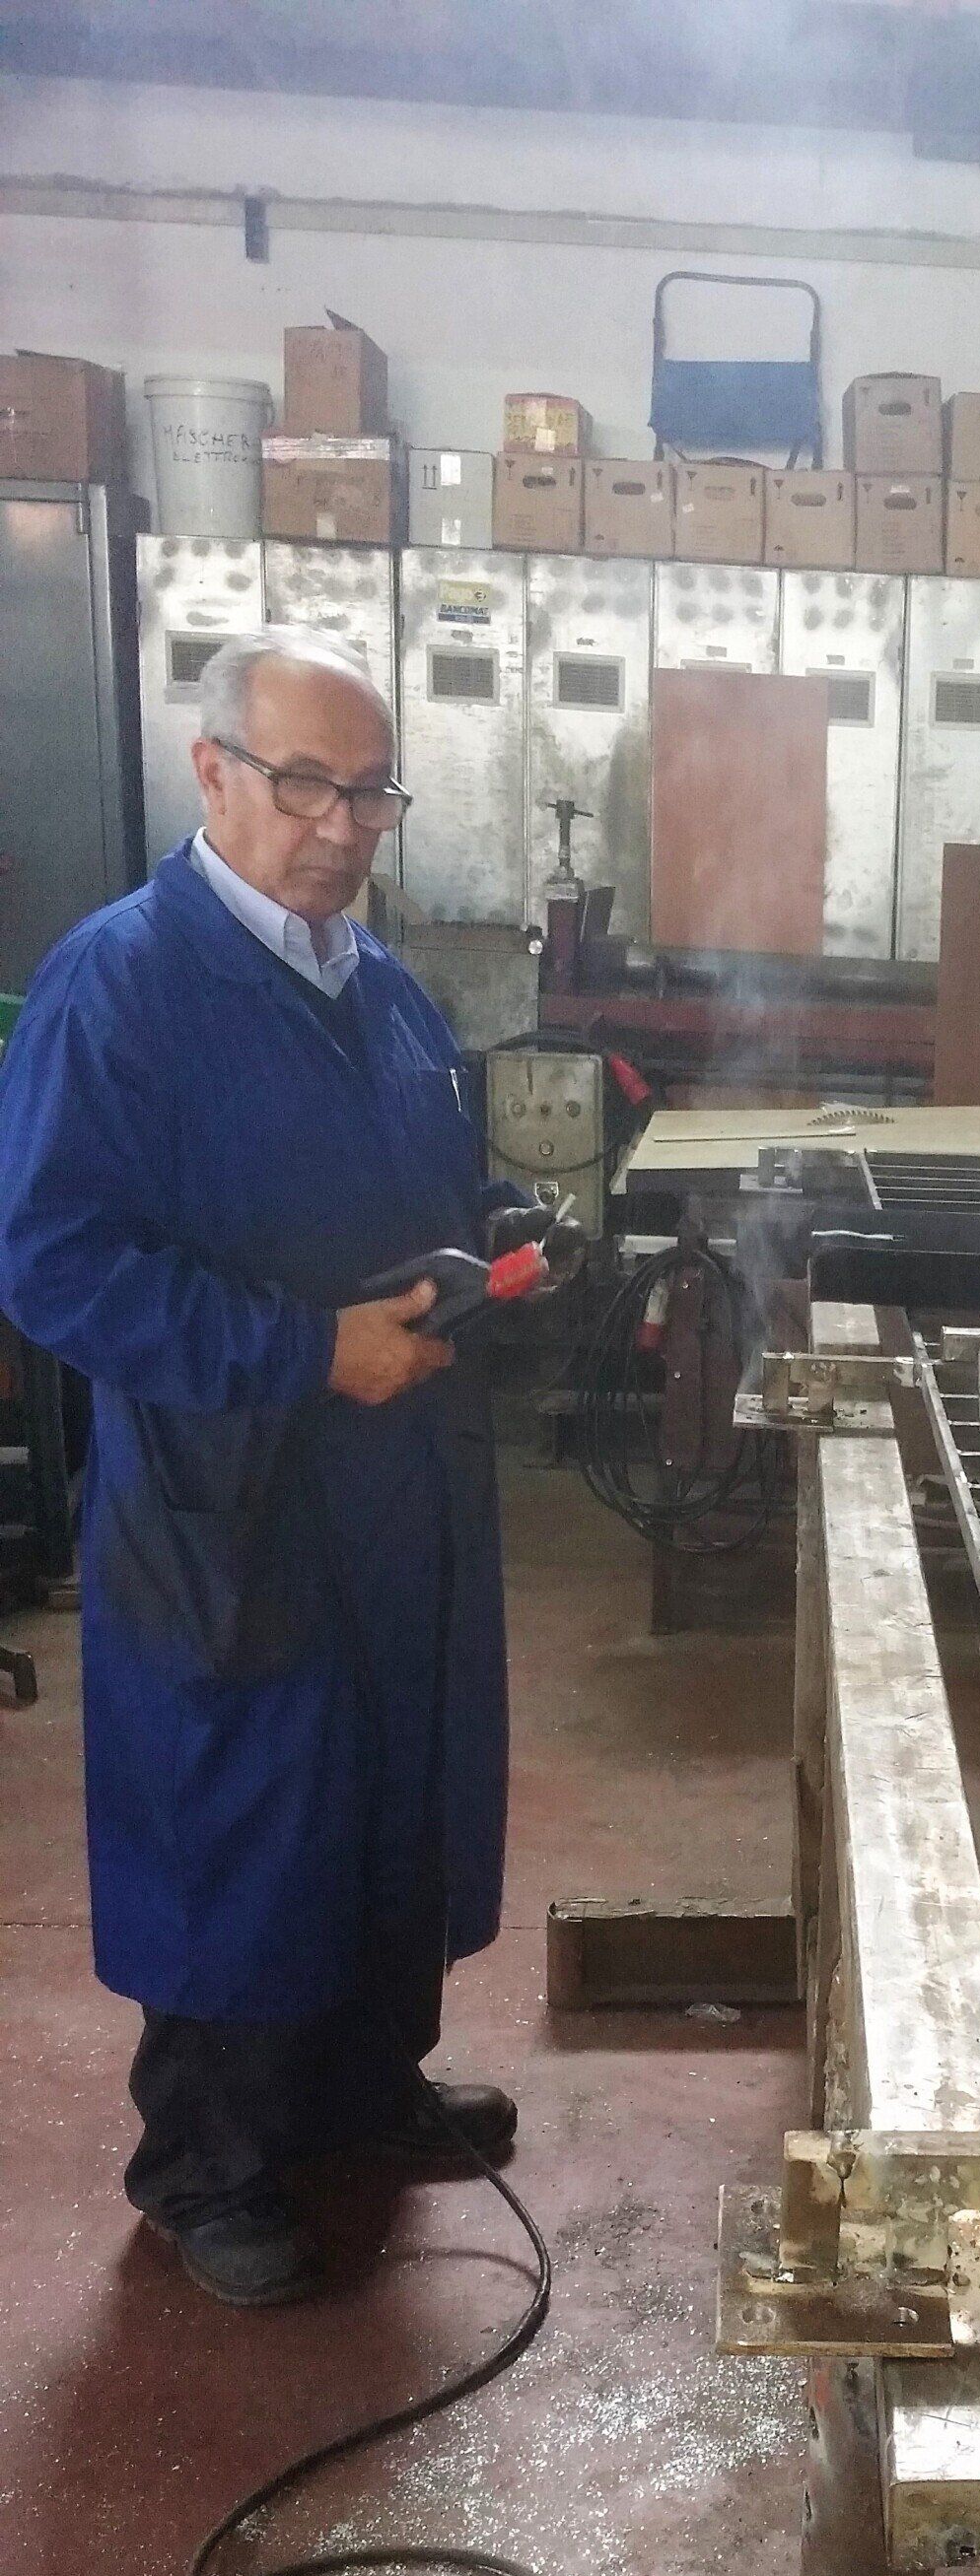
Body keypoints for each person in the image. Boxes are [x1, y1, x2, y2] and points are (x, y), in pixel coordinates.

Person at [0, 627, 521, 2308]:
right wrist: (302, 1352)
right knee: (238, 1813)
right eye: (305, 784)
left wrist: (497, 1236)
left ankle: (365, 2086)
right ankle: (208, 2162)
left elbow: (417, 1178)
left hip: (393, 1482)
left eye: (371, 793)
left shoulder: (380, 986)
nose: (342, 826)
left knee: (383, 1790)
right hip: (225, 1494)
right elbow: (56, 1261)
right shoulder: (122, 982)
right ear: (212, 770)